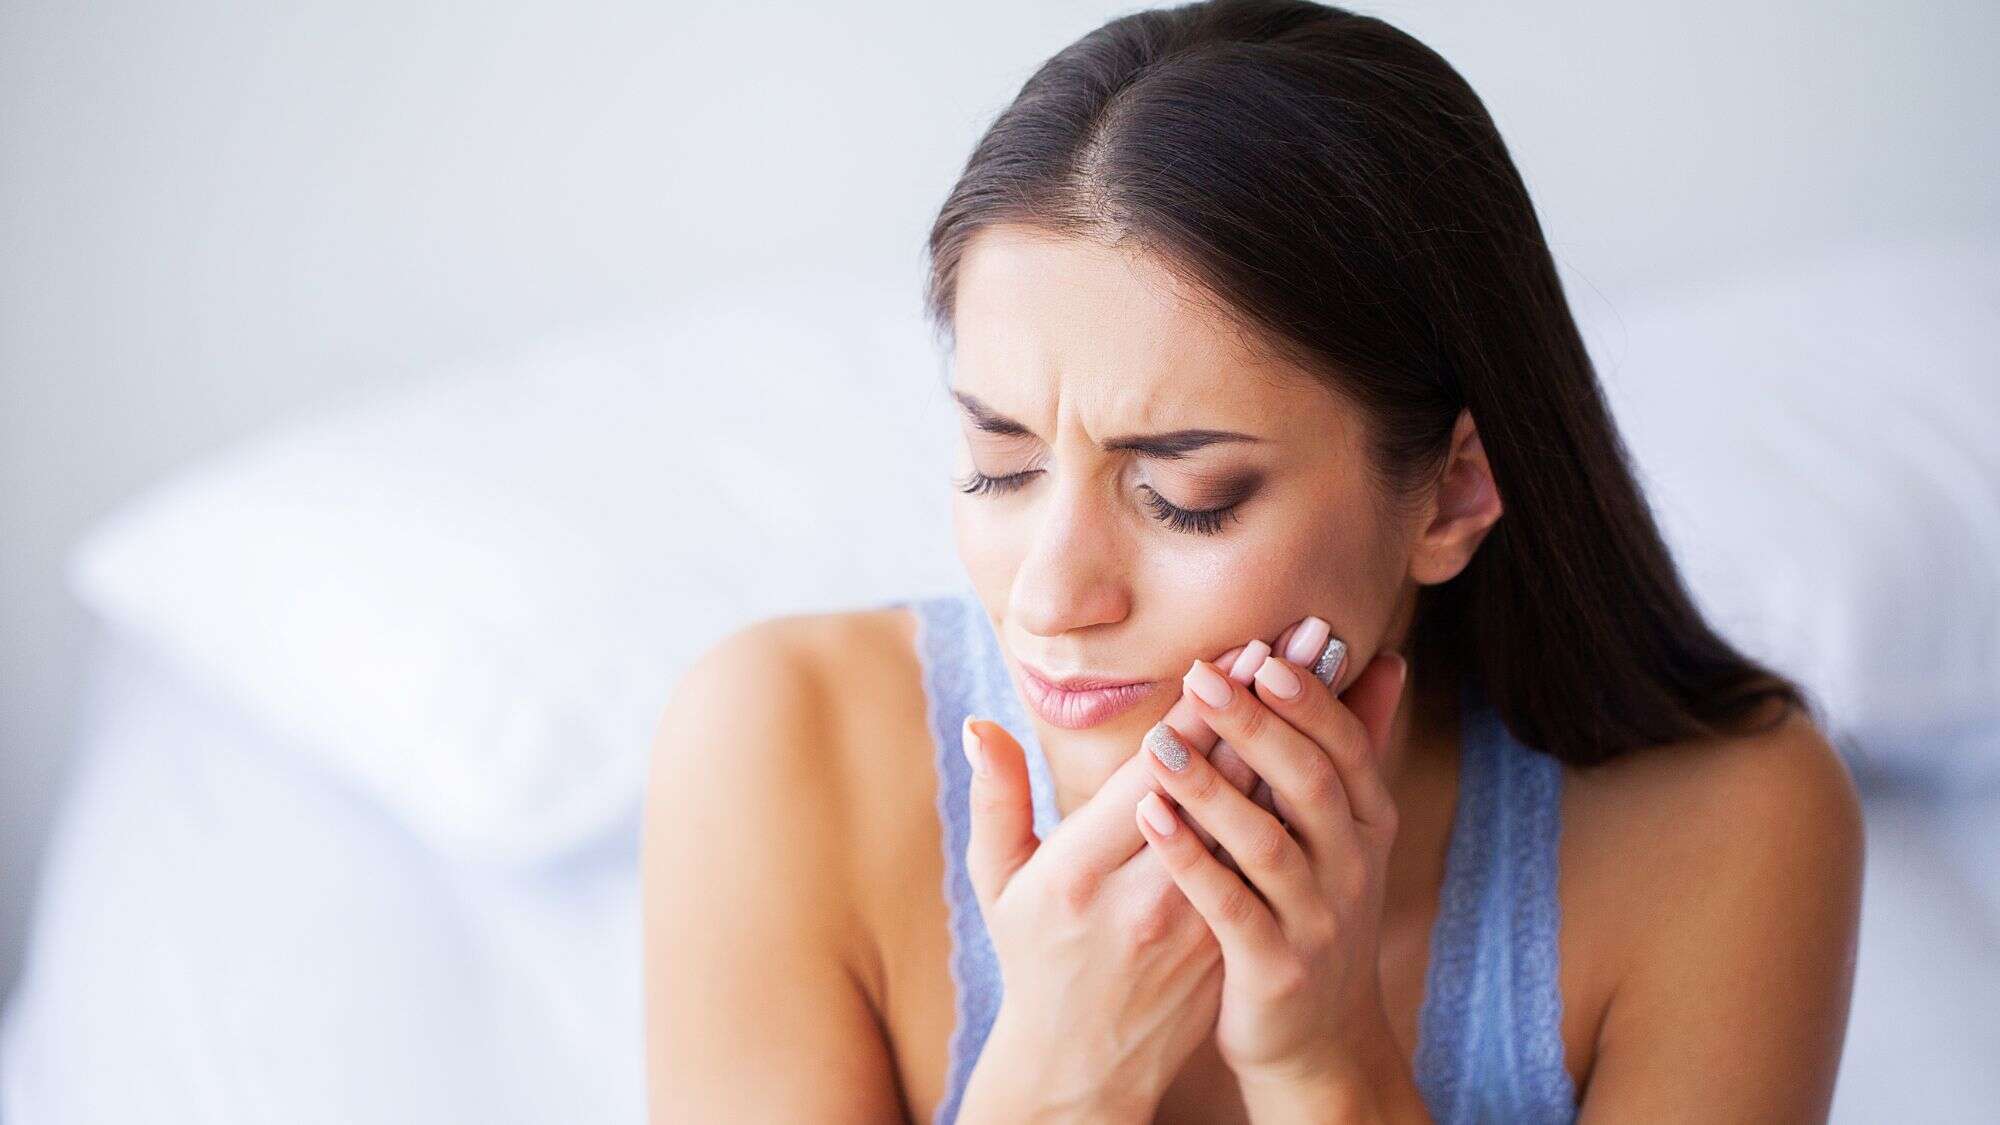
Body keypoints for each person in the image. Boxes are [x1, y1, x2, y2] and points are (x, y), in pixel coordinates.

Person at [641, 1, 1864, 1121]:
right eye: (999, 466)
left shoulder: (1721, 825)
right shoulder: (778, 742)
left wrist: (1327, 1071)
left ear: (1452, 490)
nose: (1049, 598)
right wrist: (1063, 1073)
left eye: (1185, 498)